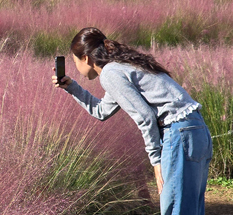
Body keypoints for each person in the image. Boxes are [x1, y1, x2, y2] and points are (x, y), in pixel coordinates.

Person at [51, 27, 213, 214]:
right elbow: (101, 110)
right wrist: (72, 87)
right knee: (190, 209)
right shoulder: (123, 66)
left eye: (75, 62)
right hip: (196, 130)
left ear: (86, 58)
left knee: (176, 209)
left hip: (178, 134)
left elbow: (145, 117)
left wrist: (156, 161)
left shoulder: (110, 73)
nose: (78, 69)